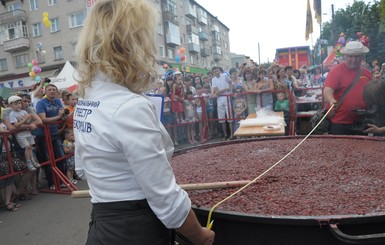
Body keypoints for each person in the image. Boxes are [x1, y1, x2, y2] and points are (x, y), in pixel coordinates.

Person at [74, 1, 215, 244]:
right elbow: (166, 200)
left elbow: (82, 169)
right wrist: (200, 236)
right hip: (135, 230)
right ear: (133, 44)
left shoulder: (88, 98)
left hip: (103, 225)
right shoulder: (128, 106)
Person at [323, 41, 372, 135]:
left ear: (362, 57)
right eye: (350, 56)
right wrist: (331, 99)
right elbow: (327, 90)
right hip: (340, 123)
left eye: (357, 56)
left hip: (362, 122)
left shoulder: (367, 73)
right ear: (345, 56)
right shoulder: (336, 71)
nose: (353, 60)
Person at [35, 83, 66, 190]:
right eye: (50, 89)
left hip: (55, 134)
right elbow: (43, 119)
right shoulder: (41, 103)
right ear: (45, 92)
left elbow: (63, 116)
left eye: (54, 89)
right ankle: (51, 183)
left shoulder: (58, 101)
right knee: (48, 160)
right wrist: (59, 116)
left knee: (61, 157)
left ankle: (62, 181)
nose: (52, 91)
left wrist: (63, 116)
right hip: (43, 135)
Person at [8, 96, 40, 171]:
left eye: (19, 103)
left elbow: (29, 122)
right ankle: (28, 162)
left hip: (27, 132)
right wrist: (25, 119)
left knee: (30, 147)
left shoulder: (24, 112)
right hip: (20, 134)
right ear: (11, 105)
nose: (18, 105)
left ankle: (32, 160)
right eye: (16, 104)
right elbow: (16, 125)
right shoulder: (12, 114)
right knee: (27, 147)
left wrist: (29, 119)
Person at [211, 66, 234, 140]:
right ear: (213, 73)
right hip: (219, 100)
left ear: (219, 71)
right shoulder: (213, 80)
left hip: (227, 98)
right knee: (222, 119)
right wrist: (225, 89)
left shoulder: (224, 75)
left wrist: (230, 90)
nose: (217, 72)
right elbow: (216, 92)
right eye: (215, 71)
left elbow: (230, 82)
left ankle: (232, 134)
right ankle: (225, 135)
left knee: (230, 117)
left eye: (217, 71)